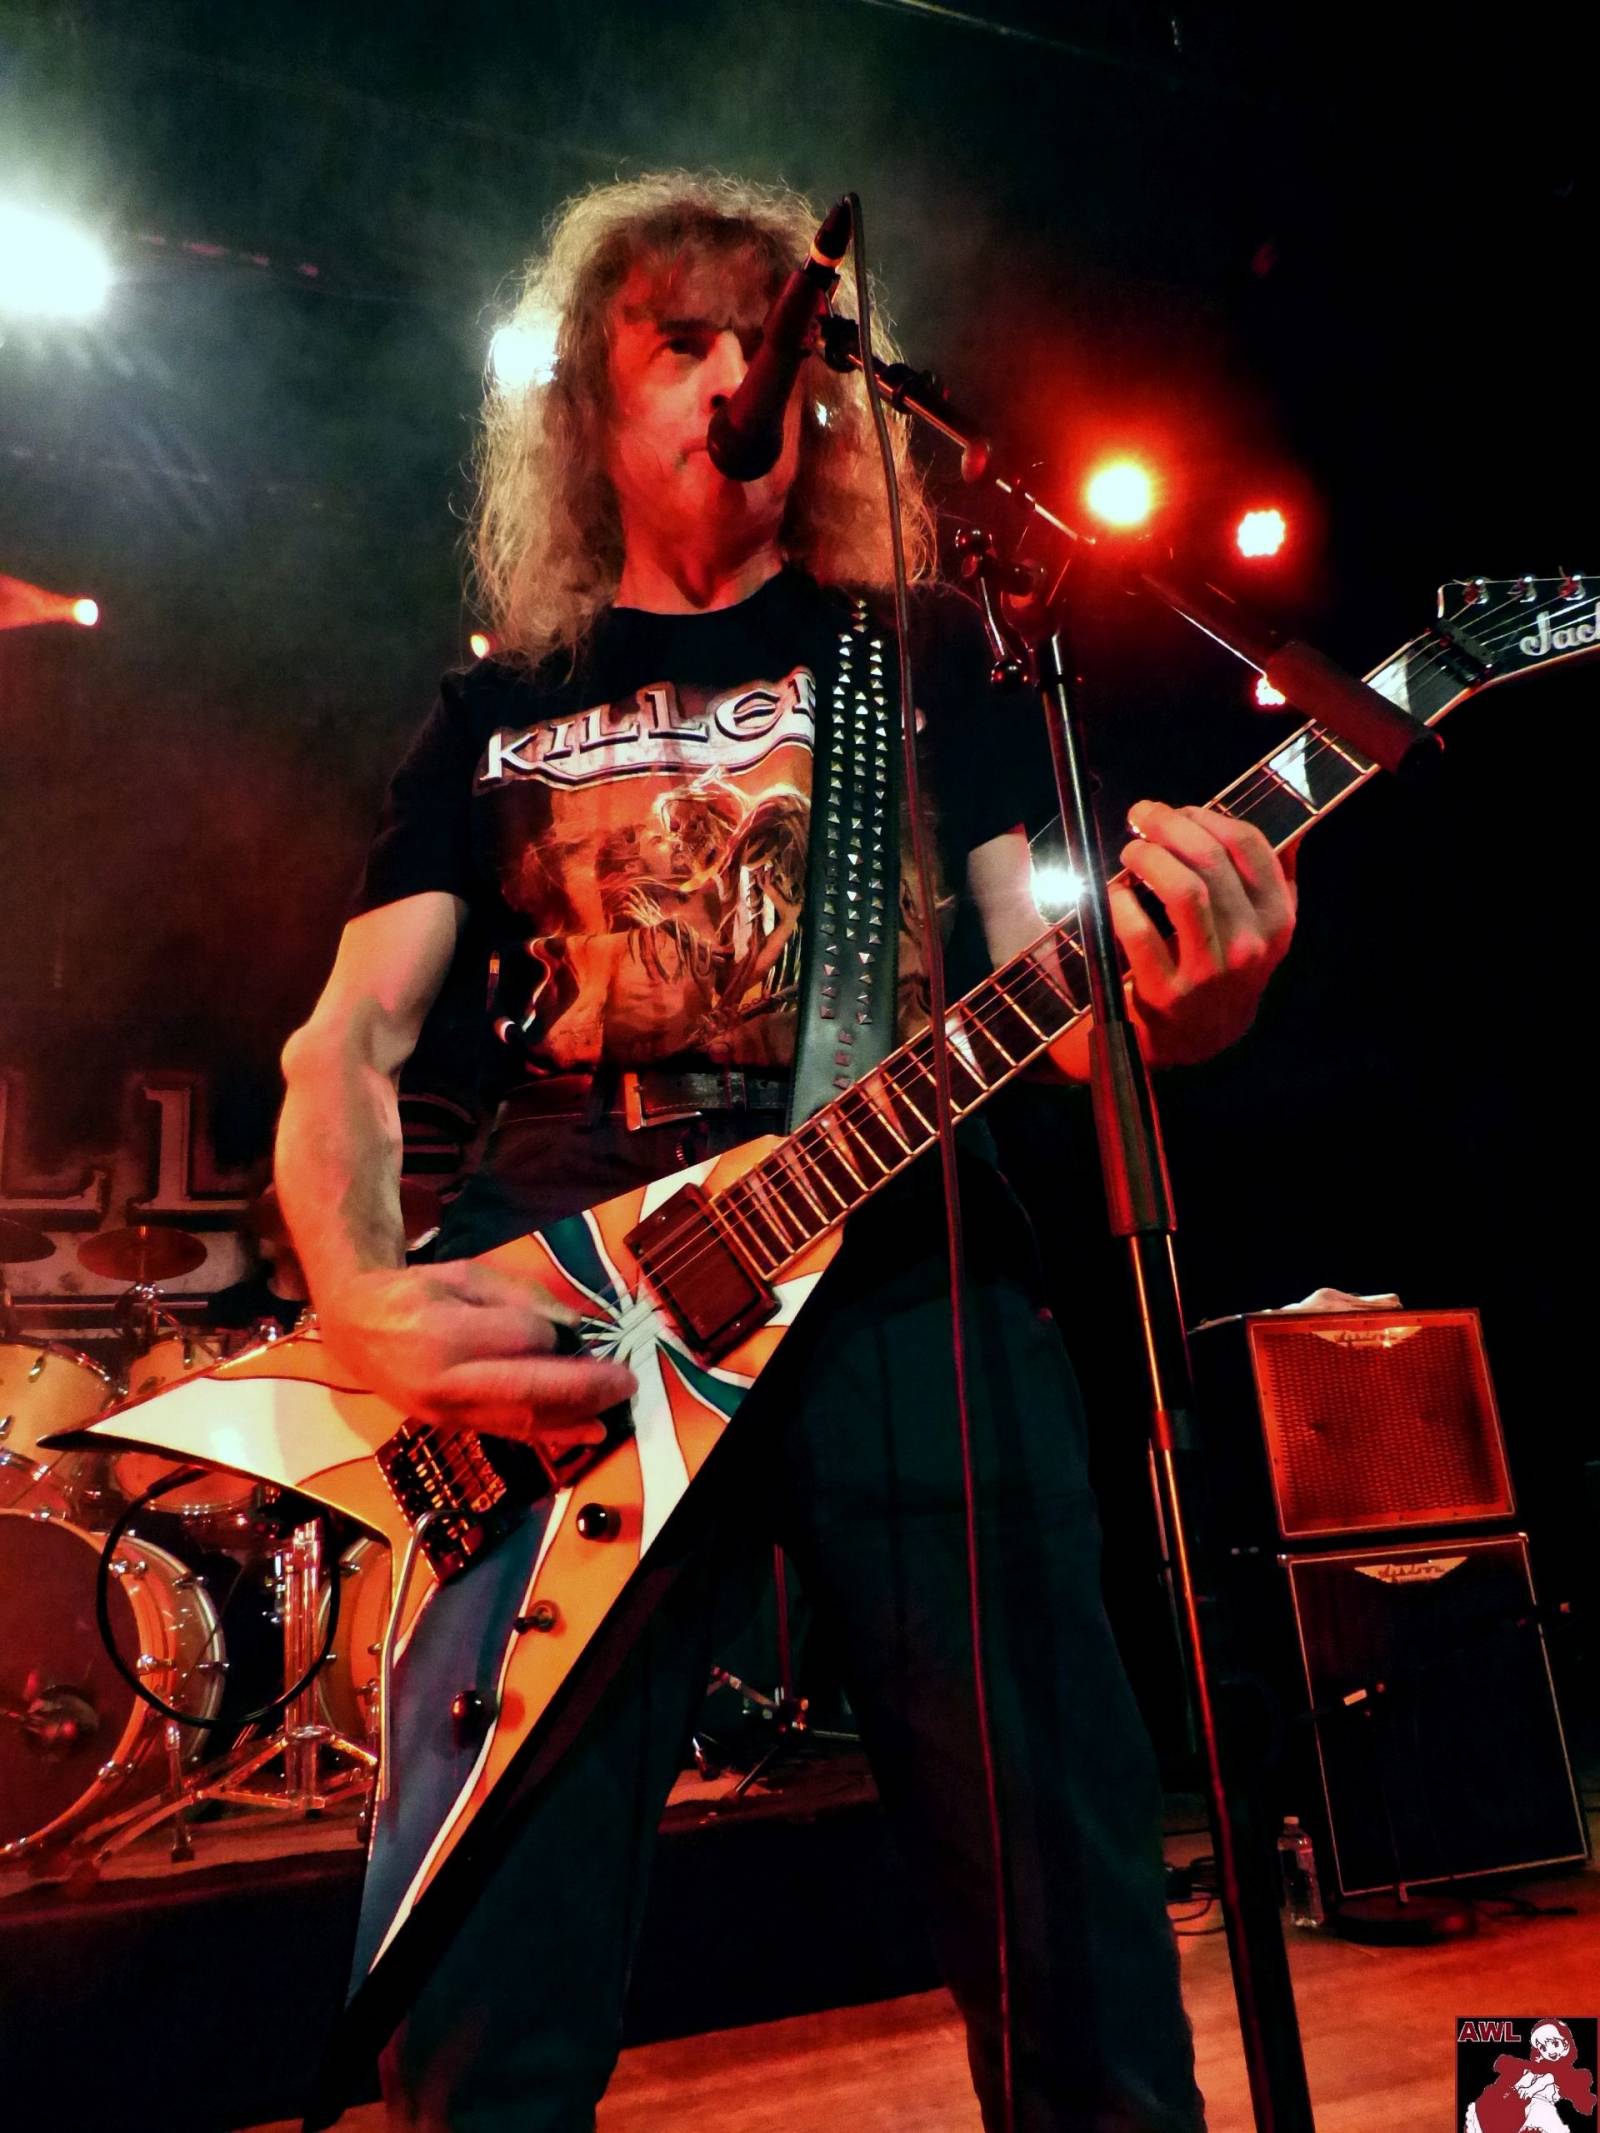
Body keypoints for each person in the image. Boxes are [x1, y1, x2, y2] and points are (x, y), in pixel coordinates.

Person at [275, 172, 1297, 2133]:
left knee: (1072, 1917)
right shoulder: (497, 705)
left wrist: (1194, 1003)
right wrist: (362, 1297)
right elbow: (348, 1041)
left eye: (777, 339)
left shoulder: (921, 654)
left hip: (907, 1246)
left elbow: (1066, 1004)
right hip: (571, 1280)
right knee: (479, 1970)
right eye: (682, 336)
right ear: (589, 401)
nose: (738, 372)